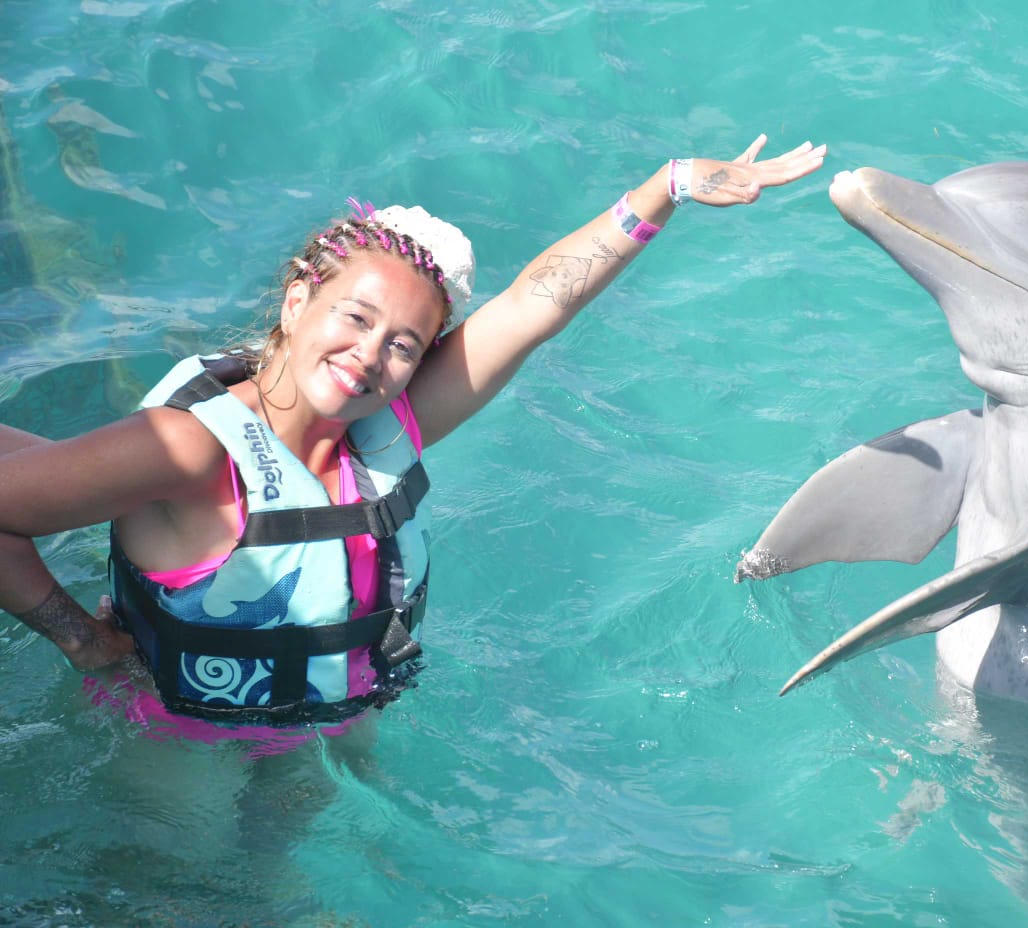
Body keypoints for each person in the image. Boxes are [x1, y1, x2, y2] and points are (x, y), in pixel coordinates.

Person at [1, 134, 826, 726]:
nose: (368, 357)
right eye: (353, 318)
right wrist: (81, 640)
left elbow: (536, 306)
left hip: (322, 727)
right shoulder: (191, 449)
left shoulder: (384, 428)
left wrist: (668, 186)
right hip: (181, 735)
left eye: (401, 344)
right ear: (297, 301)